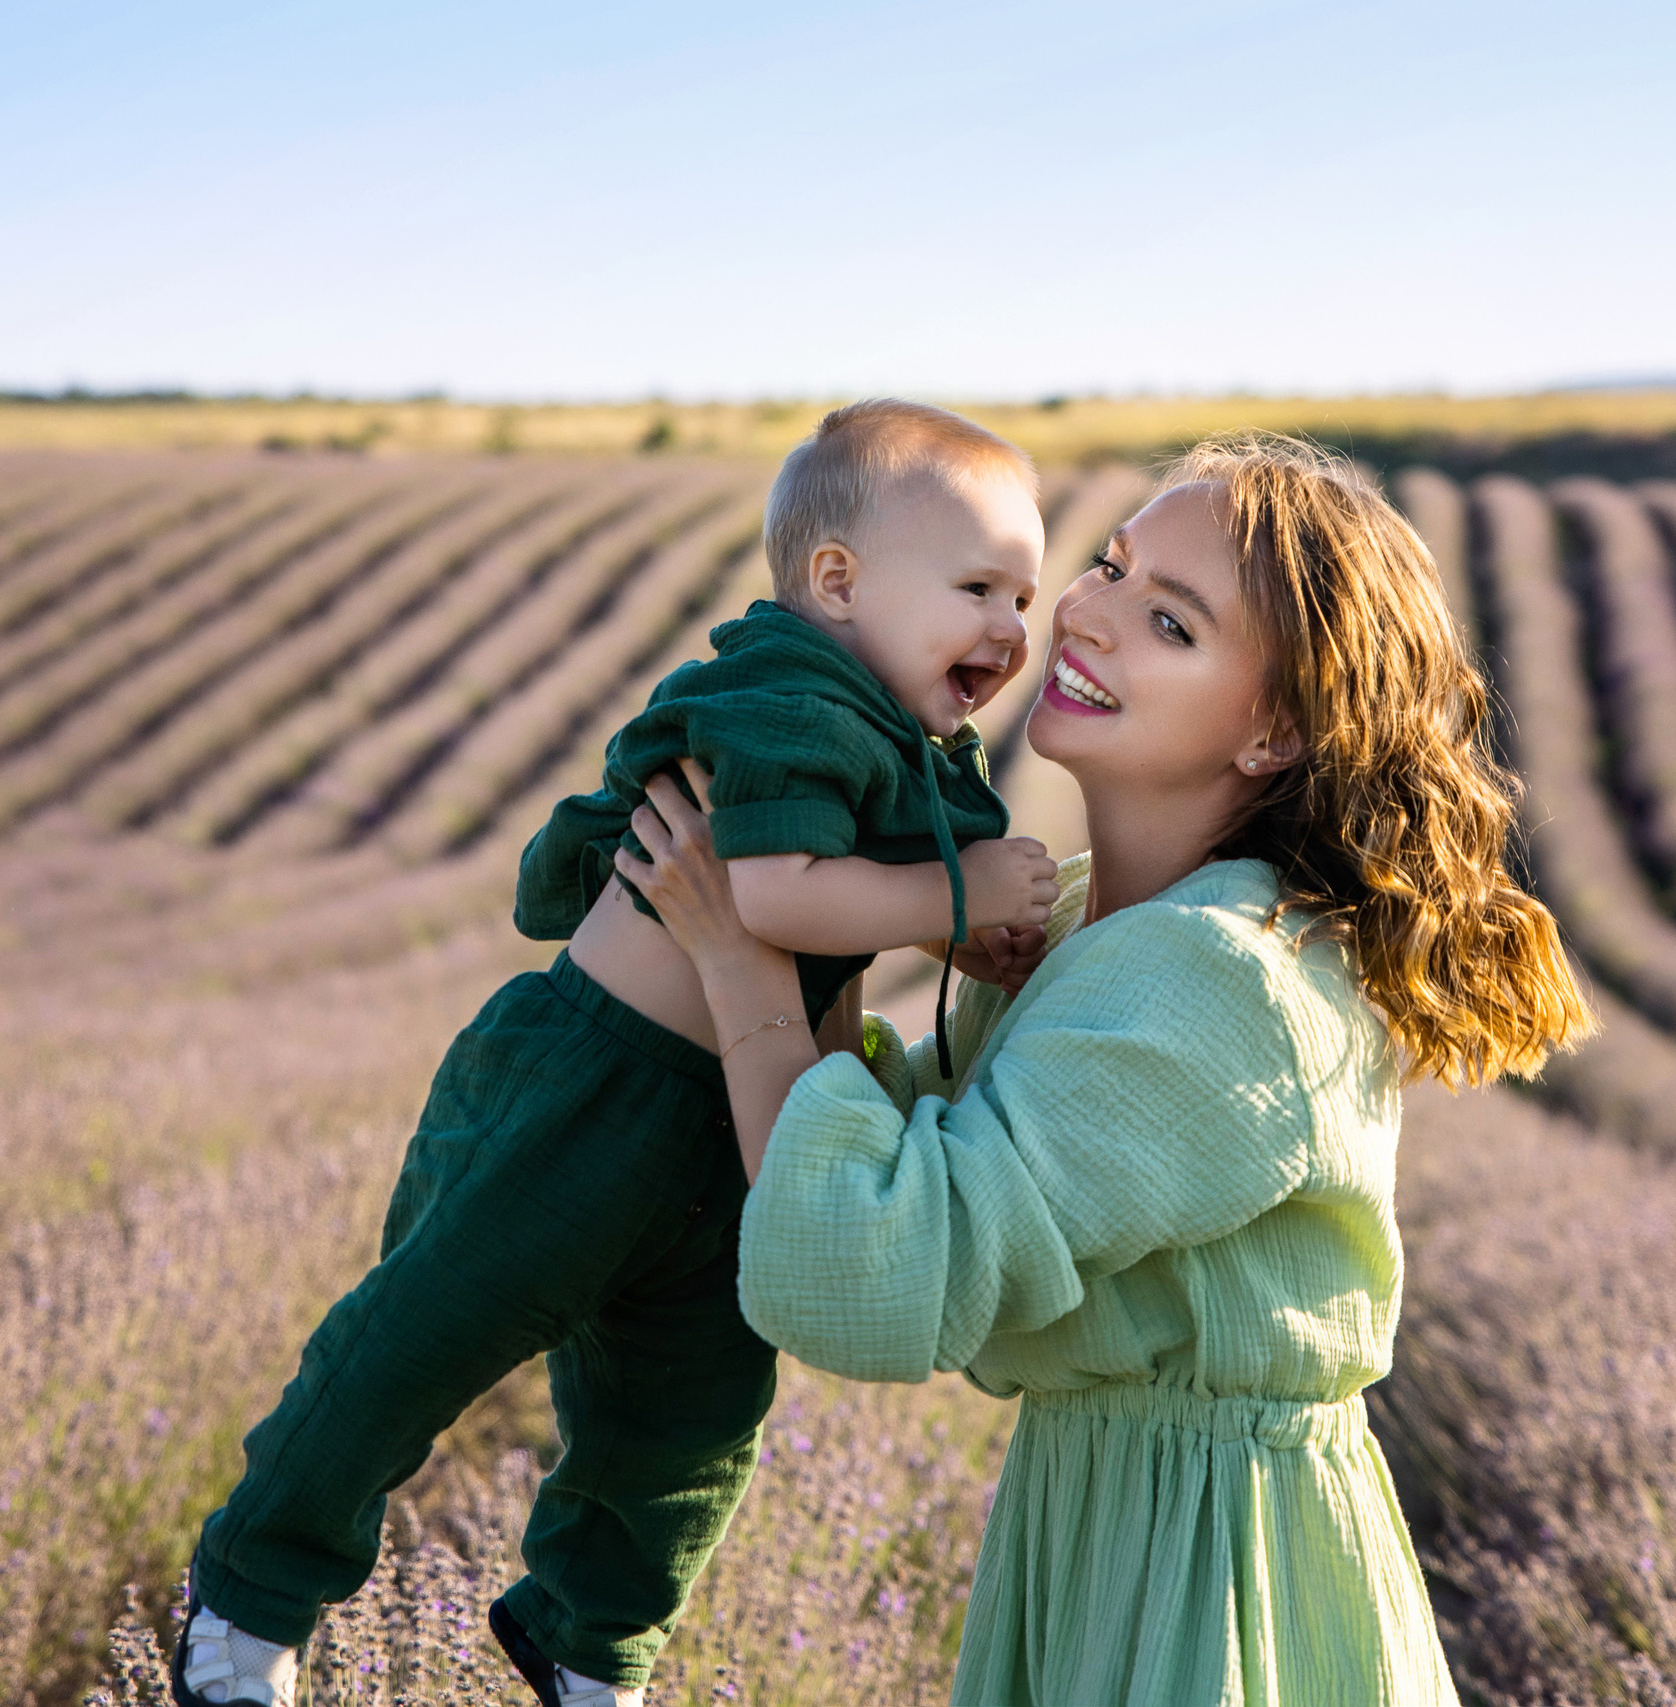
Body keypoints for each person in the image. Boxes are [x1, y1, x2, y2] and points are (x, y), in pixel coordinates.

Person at [613, 435, 1597, 1706]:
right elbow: (872, 1147)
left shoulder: (1215, 977)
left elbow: (859, 1257)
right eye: (1110, 564)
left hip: (1208, 1578)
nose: (1085, 613)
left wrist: (741, 961)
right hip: (1110, 1530)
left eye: (1171, 623)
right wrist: (822, 889)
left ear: (1274, 735)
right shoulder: (1093, 924)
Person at [171, 401, 1063, 1707]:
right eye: (979, 585)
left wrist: (959, 921)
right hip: (588, 1091)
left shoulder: (914, 747)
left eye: (1025, 596)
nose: (1009, 627)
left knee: (687, 1421)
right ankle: (249, 1602)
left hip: (742, 1124)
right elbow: (769, 895)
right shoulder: (779, 693)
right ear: (837, 581)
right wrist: (959, 889)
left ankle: (591, 1647)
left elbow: (847, 905)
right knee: (413, 1344)